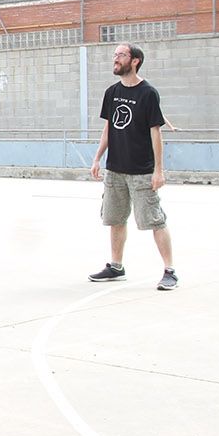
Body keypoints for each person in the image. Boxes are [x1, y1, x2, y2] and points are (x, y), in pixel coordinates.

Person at [88, 43, 177, 291]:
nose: (115, 59)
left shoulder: (148, 93)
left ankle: (170, 271)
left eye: (121, 55)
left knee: (155, 221)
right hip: (115, 169)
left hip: (142, 171)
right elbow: (108, 128)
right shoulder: (112, 92)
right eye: (114, 55)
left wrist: (159, 170)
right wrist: (97, 158)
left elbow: (155, 133)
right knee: (115, 219)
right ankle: (116, 266)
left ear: (135, 60)